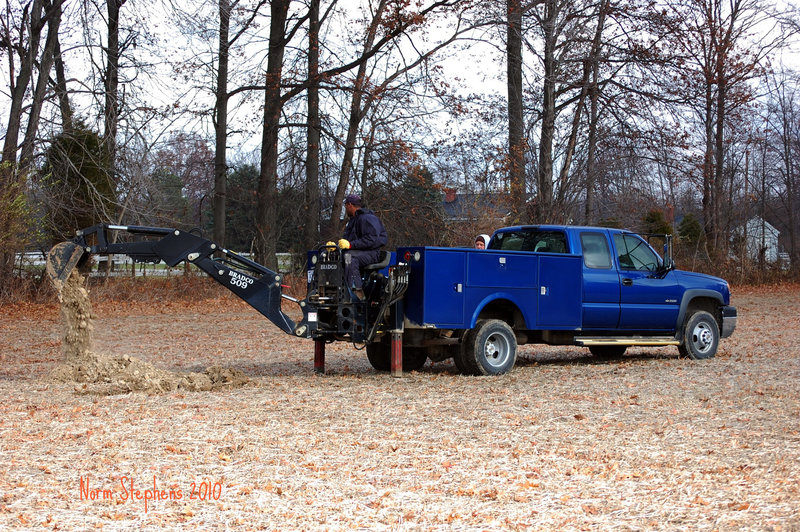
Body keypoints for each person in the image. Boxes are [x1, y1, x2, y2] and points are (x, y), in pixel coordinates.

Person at [337, 194, 388, 299]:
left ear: (350, 205)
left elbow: (371, 240)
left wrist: (351, 245)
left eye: (346, 206)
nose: (345, 209)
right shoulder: (353, 221)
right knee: (332, 256)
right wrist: (336, 247)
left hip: (372, 254)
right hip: (359, 252)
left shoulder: (367, 219)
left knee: (349, 257)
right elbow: (348, 242)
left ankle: (356, 292)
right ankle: (335, 289)